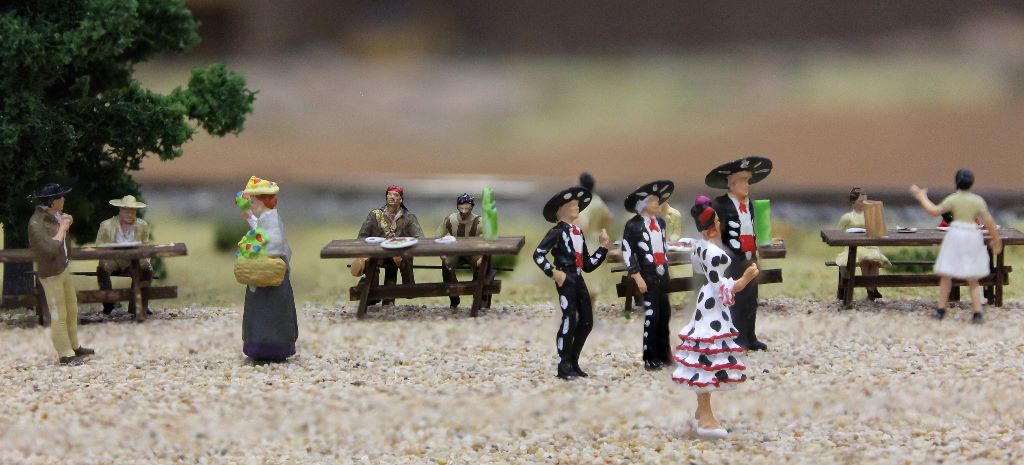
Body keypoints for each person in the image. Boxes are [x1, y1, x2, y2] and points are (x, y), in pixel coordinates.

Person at [672, 196, 759, 440]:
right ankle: (706, 415)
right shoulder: (713, 253)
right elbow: (720, 285)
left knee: (707, 352)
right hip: (712, 302)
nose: (721, 224)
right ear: (712, 227)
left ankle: (701, 411)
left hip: (707, 300)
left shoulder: (699, 246)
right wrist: (745, 279)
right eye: (718, 221)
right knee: (708, 355)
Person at [533, 186, 609, 379]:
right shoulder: (556, 232)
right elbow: (538, 254)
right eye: (572, 205)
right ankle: (563, 364)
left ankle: (573, 360)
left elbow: (587, 265)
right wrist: (553, 272)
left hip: (578, 277)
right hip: (565, 278)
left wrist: (602, 248)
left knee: (587, 321)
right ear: (561, 210)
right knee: (569, 319)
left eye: (577, 205)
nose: (577, 207)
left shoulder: (578, 232)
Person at [910, 169, 1002, 323]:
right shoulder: (977, 200)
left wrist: (922, 197)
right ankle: (977, 312)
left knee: (946, 274)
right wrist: (996, 239)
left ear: (956, 182)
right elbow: (989, 222)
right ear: (971, 183)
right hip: (972, 234)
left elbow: (933, 211)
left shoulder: (953, 199)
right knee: (973, 278)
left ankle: (941, 309)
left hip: (956, 234)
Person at [706, 156, 772, 351]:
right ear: (731, 184)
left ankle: (749, 336)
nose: (746, 185)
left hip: (749, 256)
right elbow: (712, 231)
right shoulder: (719, 204)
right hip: (731, 259)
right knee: (734, 298)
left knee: (751, 298)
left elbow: (750, 228)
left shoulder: (749, 204)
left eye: (748, 181)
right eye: (742, 181)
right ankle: (732, 337)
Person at [28, 183, 95, 365]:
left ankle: (74, 345)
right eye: (60, 197)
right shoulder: (36, 223)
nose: (64, 199)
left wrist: (65, 223)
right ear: (52, 201)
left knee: (72, 309)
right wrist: (63, 228)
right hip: (51, 274)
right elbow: (50, 249)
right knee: (59, 314)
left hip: (63, 268)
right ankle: (65, 354)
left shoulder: (55, 216)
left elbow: (63, 243)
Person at [240, 176, 298, 361]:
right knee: (260, 310)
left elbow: (274, 243)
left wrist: (255, 251)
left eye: (253, 200)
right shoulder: (267, 217)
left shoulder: (272, 219)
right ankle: (259, 345)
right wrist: (250, 218)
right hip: (263, 273)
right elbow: (261, 233)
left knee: (270, 311)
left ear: (262, 200)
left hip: (270, 273)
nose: (252, 203)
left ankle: (272, 346)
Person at [621, 180, 675, 369]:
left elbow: (663, 247)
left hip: (662, 274)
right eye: (652, 200)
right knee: (652, 315)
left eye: (657, 200)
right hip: (647, 275)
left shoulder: (660, 223)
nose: (657, 203)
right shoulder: (632, 225)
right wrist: (637, 276)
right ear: (643, 204)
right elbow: (627, 252)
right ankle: (650, 356)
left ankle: (664, 353)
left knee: (665, 314)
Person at [355, 184, 423, 306]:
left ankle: (401, 292)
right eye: (389, 194)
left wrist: (404, 250)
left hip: (398, 254)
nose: (391, 197)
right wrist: (364, 253)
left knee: (396, 266)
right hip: (377, 253)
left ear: (401, 199)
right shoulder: (375, 215)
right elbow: (362, 236)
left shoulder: (409, 218)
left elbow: (419, 238)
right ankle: (373, 293)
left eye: (395, 195)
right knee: (370, 263)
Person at [95, 194, 153, 315]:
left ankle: (140, 304)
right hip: (113, 259)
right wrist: (111, 248)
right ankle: (108, 303)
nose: (130, 215)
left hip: (133, 259)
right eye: (127, 211)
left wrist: (146, 259)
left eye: (133, 211)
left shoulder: (142, 225)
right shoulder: (106, 225)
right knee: (102, 268)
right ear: (120, 210)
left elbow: (146, 245)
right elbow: (99, 245)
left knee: (147, 269)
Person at [835, 188, 891, 301]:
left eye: (865, 201)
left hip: (870, 245)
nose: (863, 204)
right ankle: (871, 290)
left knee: (874, 262)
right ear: (853, 202)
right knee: (865, 260)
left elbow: (878, 229)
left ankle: (872, 289)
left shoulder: (870, 215)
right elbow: (837, 233)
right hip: (855, 246)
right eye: (861, 201)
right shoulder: (847, 217)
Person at [436, 193, 482, 309]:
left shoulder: (480, 221)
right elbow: (438, 236)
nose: (464, 211)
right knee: (447, 265)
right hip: (454, 251)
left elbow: (489, 239)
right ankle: (453, 295)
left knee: (481, 266)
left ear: (472, 207)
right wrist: (442, 253)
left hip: (473, 251)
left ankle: (477, 294)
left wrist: (483, 256)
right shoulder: (450, 219)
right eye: (461, 208)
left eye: (467, 208)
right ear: (457, 207)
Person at [575, 172, 613, 307]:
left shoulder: (584, 202)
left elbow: (584, 224)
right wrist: (600, 227)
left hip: (586, 242)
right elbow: (609, 216)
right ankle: (590, 308)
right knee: (594, 280)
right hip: (597, 241)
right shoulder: (598, 200)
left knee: (584, 278)